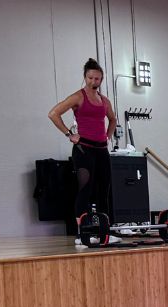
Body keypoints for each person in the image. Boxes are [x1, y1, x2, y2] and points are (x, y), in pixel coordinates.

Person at [48, 59, 118, 221]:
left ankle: (104, 229)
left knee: (104, 190)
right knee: (85, 188)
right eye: (90, 78)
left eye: (97, 79)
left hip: (101, 150)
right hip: (83, 149)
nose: (94, 81)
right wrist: (69, 134)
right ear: (85, 78)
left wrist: (108, 136)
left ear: (101, 79)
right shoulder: (78, 97)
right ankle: (82, 232)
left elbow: (113, 119)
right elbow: (53, 114)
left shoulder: (105, 101)